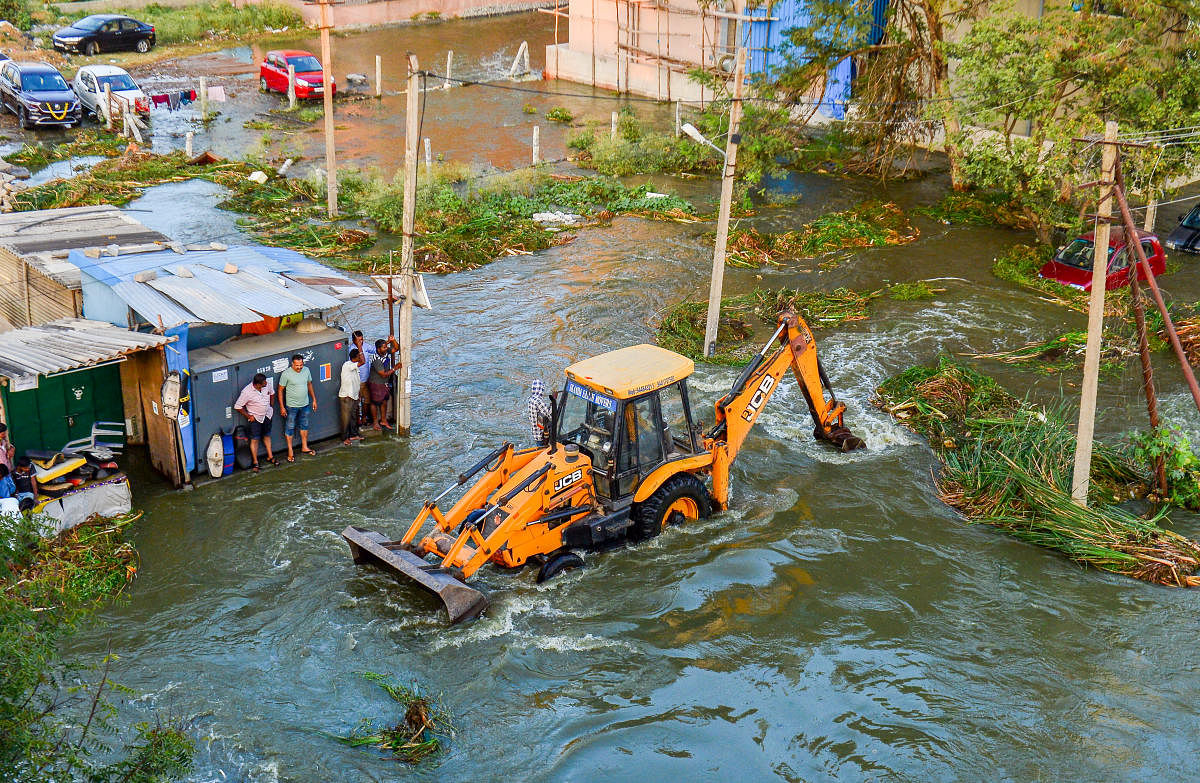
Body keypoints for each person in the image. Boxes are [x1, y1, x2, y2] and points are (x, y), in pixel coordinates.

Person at [278, 354, 317, 462]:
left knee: (304, 425)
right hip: (291, 406)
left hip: (305, 404)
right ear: (292, 364)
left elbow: (309, 384)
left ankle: (304, 446)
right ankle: (290, 450)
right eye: (297, 365)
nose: (299, 367)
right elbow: (280, 390)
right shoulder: (286, 374)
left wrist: (314, 399)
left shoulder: (306, 370)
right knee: (290, 427)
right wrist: (282, 407)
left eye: (301, 365)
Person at [234, 372, 276, 472]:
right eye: (264, 382)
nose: (266, 383)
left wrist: (271, 406)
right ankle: (255, 462)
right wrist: (249, 416)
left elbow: (272, 393)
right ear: (257, 384)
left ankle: (270, 456)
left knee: (267, 435)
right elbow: (237, 406)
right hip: (255, 419)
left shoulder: (267, 385)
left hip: (267, 416)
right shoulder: (247, 392)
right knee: (255, 439)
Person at [367, 339, 398, 431]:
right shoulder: (376, 359)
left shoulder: (385, 352)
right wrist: (395, 368)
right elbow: (383, 374)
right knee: (374, 403)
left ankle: (383, 420)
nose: (386, 349)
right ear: (378, 349)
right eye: (384, 347)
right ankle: (375, 422)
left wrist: (393, 340)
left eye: (386, 347)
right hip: (376, 384)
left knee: (384, 401)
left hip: (384, 383)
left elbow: (396, 348)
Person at [339, 348, 365, 445]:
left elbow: (356, 382)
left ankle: (353, 434)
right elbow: (363, 361)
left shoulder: (354, 367)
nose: (361, 357)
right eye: (359, 355)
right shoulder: (347, 365)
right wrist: (359, 346)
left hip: (353, 396)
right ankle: (344, 437)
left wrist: (358, 394)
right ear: (356, 357)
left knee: (353, 416)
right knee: (346, 418)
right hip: (346, 396)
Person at [527, 379, 552, 447]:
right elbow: (549, 415)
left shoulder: (530, 399)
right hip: (541, 434)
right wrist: (553, 400)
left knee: (538, 448)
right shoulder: (538, 401)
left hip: (535, 433)